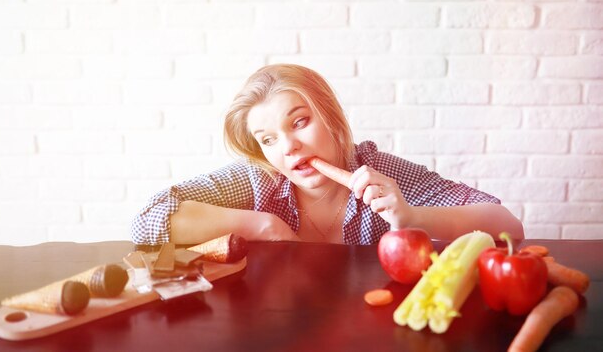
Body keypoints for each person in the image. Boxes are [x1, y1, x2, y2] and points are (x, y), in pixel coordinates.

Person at [131, 64, 524, 246]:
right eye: (268, 139)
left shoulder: (379, 171)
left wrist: (411, 216)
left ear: (332, 117)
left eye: (299, 122)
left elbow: (508, 226)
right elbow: (149, 221)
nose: (287, 148)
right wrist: (263, 226)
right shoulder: (259, 179)